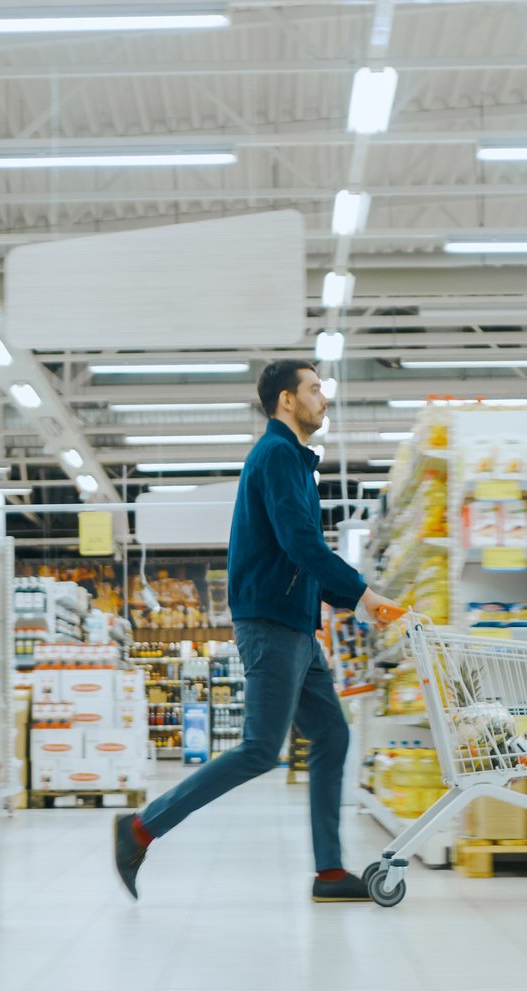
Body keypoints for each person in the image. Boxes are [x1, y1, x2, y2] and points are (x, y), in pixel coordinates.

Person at [111, 360, 404, 903]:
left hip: (294, 624)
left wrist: (351, 602)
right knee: (259, 749)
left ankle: (329, 871)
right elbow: (300, 542)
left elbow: (300, 551)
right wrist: (362, 595)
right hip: (272, 624)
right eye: (315, 389)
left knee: (333, 734)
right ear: (286, 401)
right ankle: (140, 828)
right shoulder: (275, 456)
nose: (324, 398)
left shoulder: (293, 461)